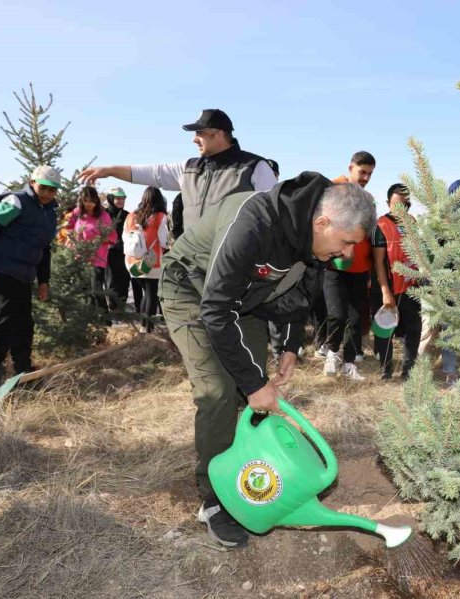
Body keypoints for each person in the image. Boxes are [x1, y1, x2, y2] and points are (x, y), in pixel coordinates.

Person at [159, 172, 375, 547]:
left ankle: (248, 473)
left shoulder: (313, 238)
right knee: (221, 391)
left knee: (254, 389)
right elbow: (215, 309)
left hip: (247, 301)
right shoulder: (253, 223)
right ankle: (215, 500)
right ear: (322, 223)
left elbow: (300, 295)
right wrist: (253, 382)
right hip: (194, 292)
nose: (348, 255)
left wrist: (291, 346)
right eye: (346, 243)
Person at [78, 108, 277, 236]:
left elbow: (272, 219)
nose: (194, 139)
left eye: (199, 133)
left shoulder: (255, 167)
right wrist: (110, 170)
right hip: (193, 265)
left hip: (235, 266)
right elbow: (151, 172)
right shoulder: (189, 168)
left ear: (217, 134)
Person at [0, 165, 60, 396]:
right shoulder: (16, 202)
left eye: (52, 190)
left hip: (25, 275)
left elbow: (45, 248)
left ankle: (22, 372)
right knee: (4, 321)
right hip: (2, 269)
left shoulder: (50, 211)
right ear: (32, 182)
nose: (47, 193)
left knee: (24, 324)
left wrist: (43, 280)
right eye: (43, 187)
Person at [418, 179, 460, 385]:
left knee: (454, 331)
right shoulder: (438, 225)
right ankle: (418, 375)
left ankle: (451, 373)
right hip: (434, 288)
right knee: (429, 331)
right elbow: (427, 258)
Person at [320, 151, 377, 380]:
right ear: (351, 167)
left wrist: (372, 269)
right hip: (334, 267)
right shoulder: (333, 189)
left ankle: (350, 363)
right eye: (362, 172)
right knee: (337, 314)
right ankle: (332, 352)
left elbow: (371, 236)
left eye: (370, 174)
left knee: (355, 320)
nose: (365, 177)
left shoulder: (369, 200)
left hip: (360, 270)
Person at [371, 183, 422, 380]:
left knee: (413, 328)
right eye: (396, 204)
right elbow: (378, 262)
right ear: (388, 203)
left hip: (410, 286)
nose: (400, 209)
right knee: (385, 330)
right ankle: (386, 372)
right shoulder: (380, 226)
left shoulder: (412, 223)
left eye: (405, 204)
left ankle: (409, 371)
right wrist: (385, 291)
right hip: (388, 285)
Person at [64, 187, 118, 313]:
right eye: (86, 200)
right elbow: (68, 226)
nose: (89, 204)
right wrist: (72, 238)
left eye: (92, 201)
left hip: (97, 257)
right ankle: (89, 319)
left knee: (96, 290)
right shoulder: (77, 213)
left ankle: (105, 320)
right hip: (80, 256)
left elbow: (113, 236)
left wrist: (100, 239)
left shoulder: (103, 215)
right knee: (84, 290)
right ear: (81, 200)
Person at [125, 187, 169, 332]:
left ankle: (143, 326)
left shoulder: (131, 215)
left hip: (133, 261)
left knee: (146, 293)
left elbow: (125, 237)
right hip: (152, 260)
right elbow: (164, 241)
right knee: (151, 294)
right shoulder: (160, 216)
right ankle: (147, 327)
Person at [104, 186, 130, 310]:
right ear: (111, 199)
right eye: (117, 198)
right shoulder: (105, 214)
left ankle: (122, 306)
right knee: (112, 280)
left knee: (124, 279)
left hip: (125, 252)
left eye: (123, 198)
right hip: (109, 252)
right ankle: (113, 306)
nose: (120, 201)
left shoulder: (127, 215)